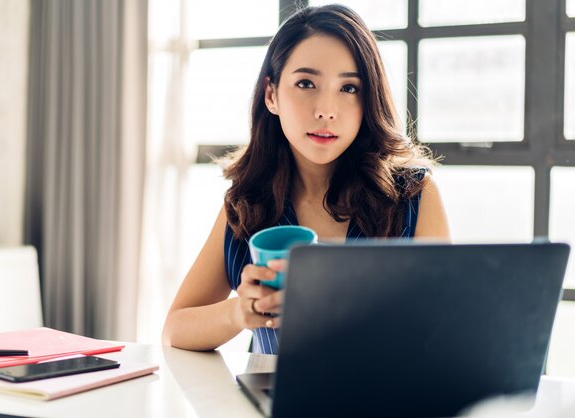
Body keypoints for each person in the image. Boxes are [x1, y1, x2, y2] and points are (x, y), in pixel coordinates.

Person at [162, 4, 450, 354]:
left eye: (349, 88)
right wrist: (239, 312)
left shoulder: (414, 197)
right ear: (271, 95)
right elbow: (175, 329)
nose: (326, 110)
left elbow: (442, 334)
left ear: (368, 99)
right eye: (306, 83)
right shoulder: (247, 203)